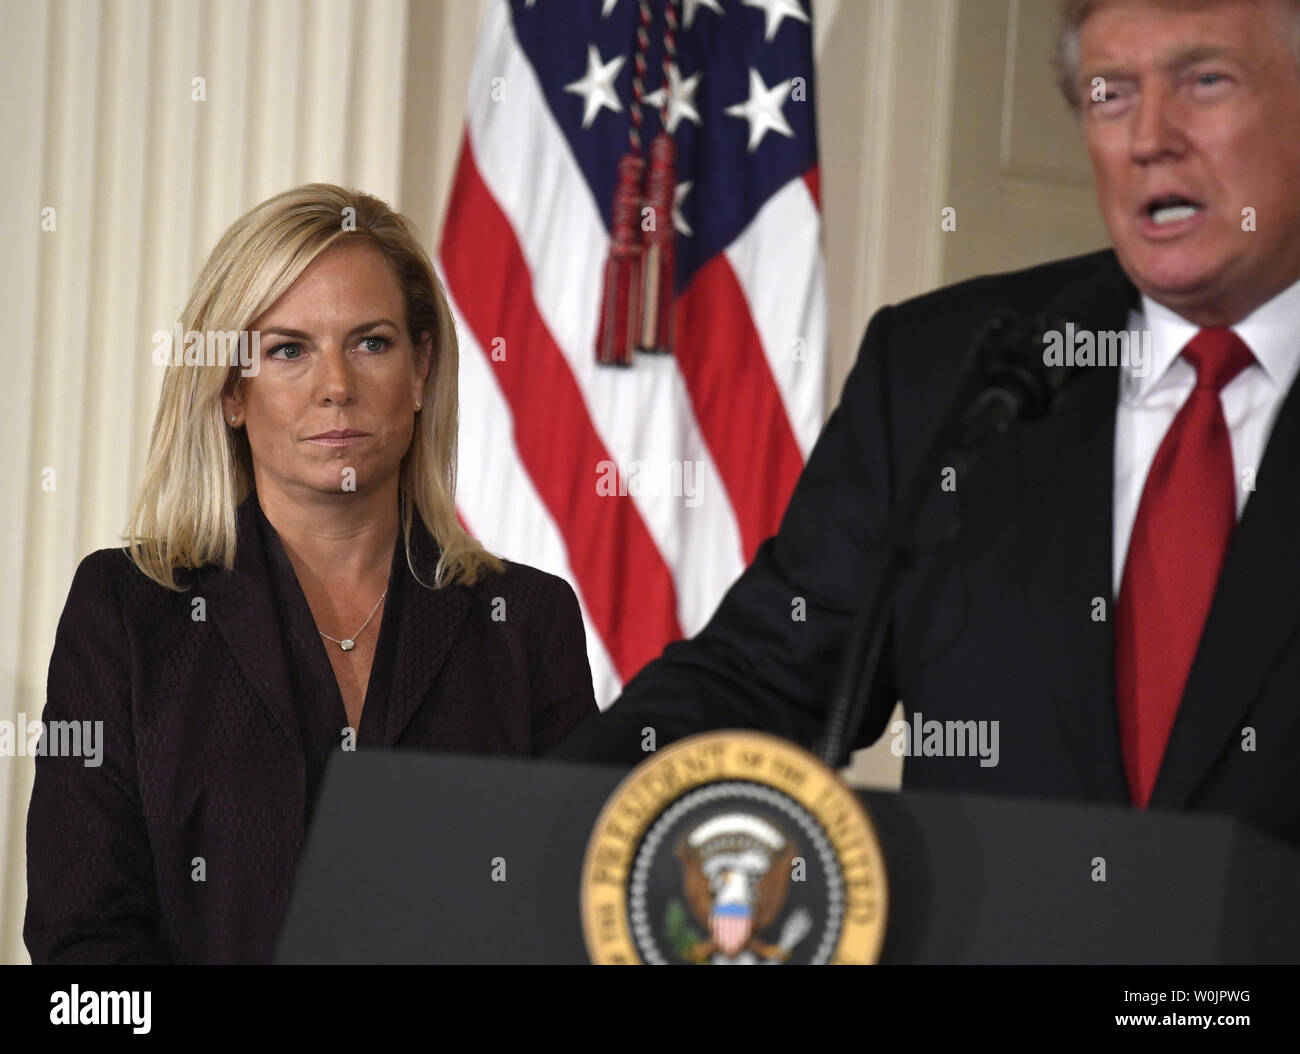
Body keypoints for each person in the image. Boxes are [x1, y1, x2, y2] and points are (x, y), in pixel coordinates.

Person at [557, 0, 1300, 849]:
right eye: (1110, 94)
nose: (1150, 137)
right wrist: (526, 820)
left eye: (1205, 81)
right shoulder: (947, 371)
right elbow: (765, 676)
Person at [25, 183, 598, 963]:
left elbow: (569, 922)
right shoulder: (126, 613)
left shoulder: (528, 620)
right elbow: (80, 952)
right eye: (288, 349)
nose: (337, 385)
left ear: (422, 369)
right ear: (231, 389)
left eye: (371, 342)